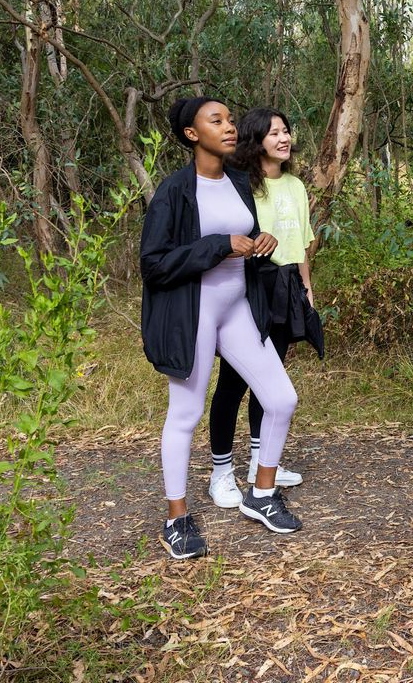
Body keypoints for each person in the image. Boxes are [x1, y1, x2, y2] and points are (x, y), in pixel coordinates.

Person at [141, 96, 302, 560]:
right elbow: (153, 264)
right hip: (194, 311)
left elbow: (241, 242)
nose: (229, 127)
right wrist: (218, 245)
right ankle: (177, 518)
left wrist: (260, 243)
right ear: (193, 134)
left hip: (237, 309)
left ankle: (261, 494)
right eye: (218, 121)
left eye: (231, 120)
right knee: (185, 414)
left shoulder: (236, 180)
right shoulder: (175, 191)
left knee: (281, 398)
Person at [206, 108, 312, 509]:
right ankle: (221, 472)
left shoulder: (297, 186)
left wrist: (307, 289)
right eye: (274, 133)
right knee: (233, 383)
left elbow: (302, 244)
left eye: (286, 131)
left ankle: (258, 464)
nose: (284, 138)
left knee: (270, 380)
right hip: (248, 288)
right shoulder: (239, 186)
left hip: (286, 287)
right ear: (256, 140)